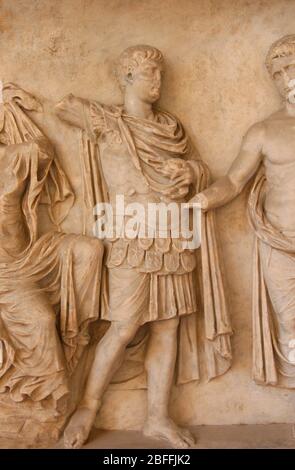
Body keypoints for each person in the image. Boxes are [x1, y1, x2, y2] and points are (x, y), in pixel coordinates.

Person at [55, 45, 232, 448]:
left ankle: (157, 418)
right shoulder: (110, 121)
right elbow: (63, 106)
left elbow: (201, 169)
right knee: (123, 326)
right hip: (131, 235)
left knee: (168, 327)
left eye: (160, 75)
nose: (157, 82)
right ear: (127, 77)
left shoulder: (172, 128)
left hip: (172, 235)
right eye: (149, 74)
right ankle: (88, 406)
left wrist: (188, 170)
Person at [190, 35, 295, 390]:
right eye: (279, 73)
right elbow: (234, 181)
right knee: (291, 322)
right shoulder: (265, 130)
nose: (287, 78)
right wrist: (202, 200)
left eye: (292, 67)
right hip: (280, 240)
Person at [0, 84, 103, 415]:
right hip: (5, 275)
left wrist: (12, 106)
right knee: (43, 319)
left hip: (34, 255)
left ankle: (79, 334)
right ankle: (44, 400)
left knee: (89, 249)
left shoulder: (10, 157)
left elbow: (41, 150)